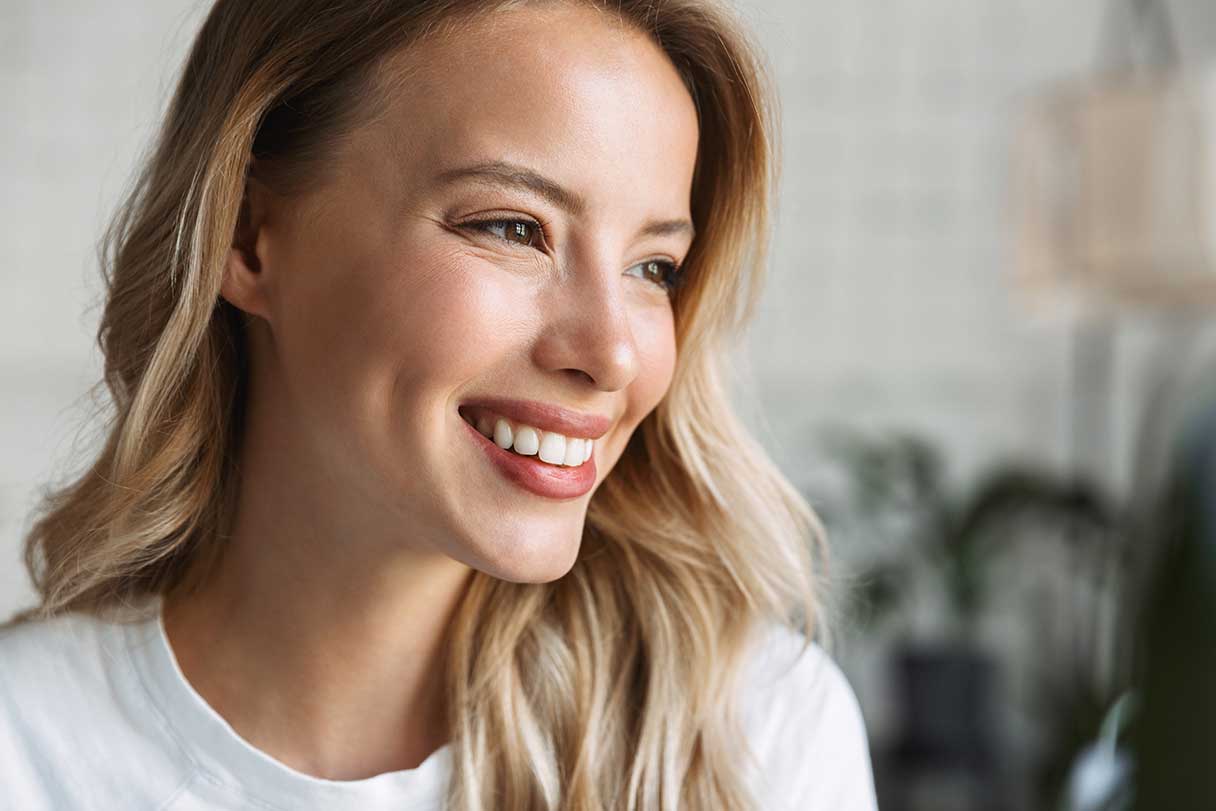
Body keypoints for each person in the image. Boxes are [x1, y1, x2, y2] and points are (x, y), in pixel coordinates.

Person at [0, 1, 879, 809]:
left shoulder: (759, 740)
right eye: (511, 227)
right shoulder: (26, 749)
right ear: (246, 232)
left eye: (654, 268)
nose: (614, 352)